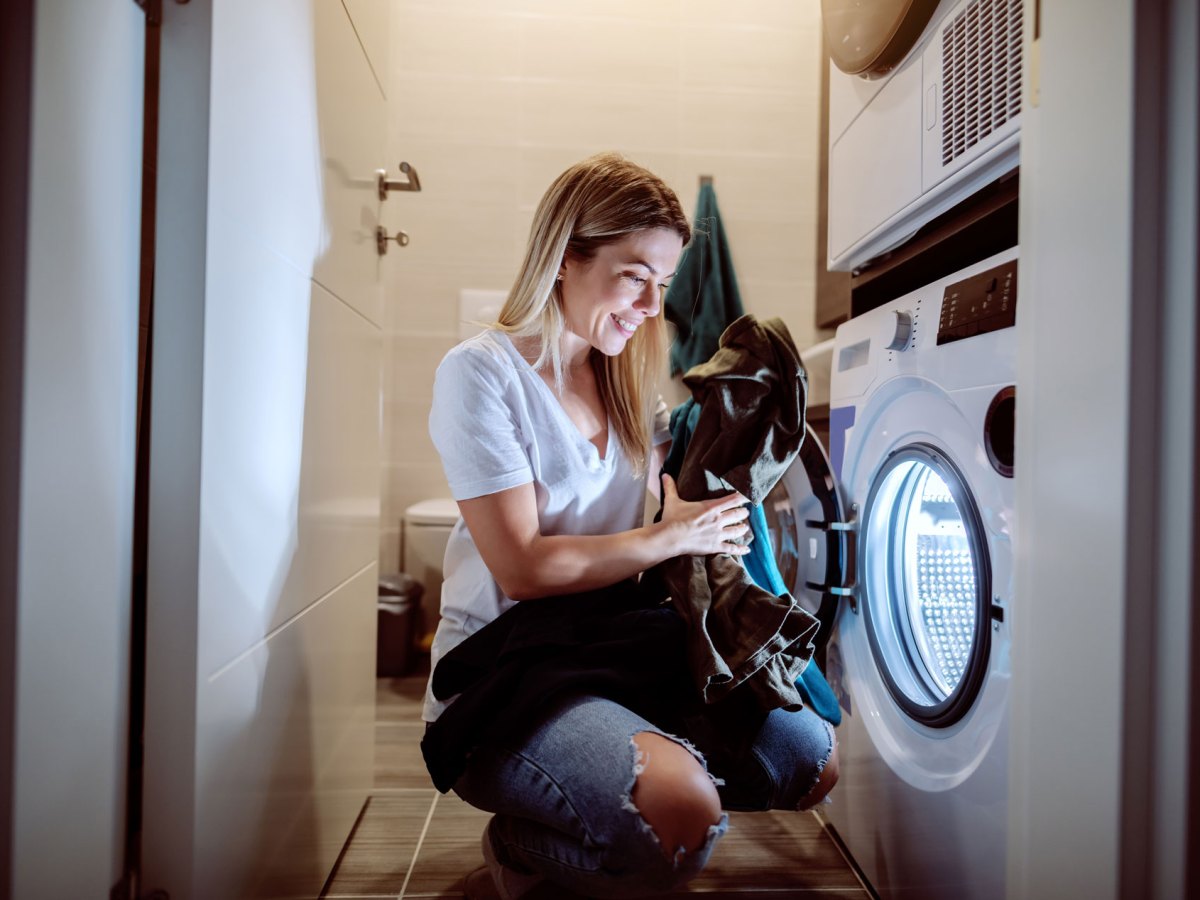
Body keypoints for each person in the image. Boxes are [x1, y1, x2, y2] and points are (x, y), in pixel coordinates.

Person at [423, 152, 839, 900]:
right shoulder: (481, 373)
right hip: (503, 673)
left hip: (601, 649)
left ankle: (626, 779)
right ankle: (523, 841)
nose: (654, 306)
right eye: (634, 276)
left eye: (665, 284)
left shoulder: (625, 384)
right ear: (565, 257)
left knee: (812, 761)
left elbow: (651, 533)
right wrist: (674, 536)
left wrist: (703, 527)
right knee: (681, 816)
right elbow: (524, 568)